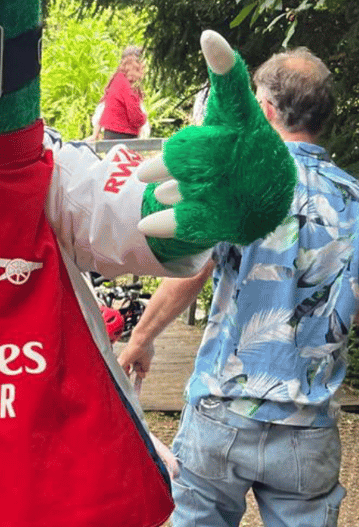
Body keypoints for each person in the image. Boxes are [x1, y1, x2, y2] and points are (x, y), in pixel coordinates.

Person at [118, 47, 358, 527]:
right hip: (307, 425)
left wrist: (141, 337)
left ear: (264, 110)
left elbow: (192, 272)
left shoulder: (237, 187)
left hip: (221, 408)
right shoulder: (354, 198)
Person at [97, 44, 149, 140]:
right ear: (136, 64)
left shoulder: (118, 79)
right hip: (122, 136)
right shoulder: (128, 85)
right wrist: (144, 117)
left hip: (111, 134)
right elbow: (135, 118)